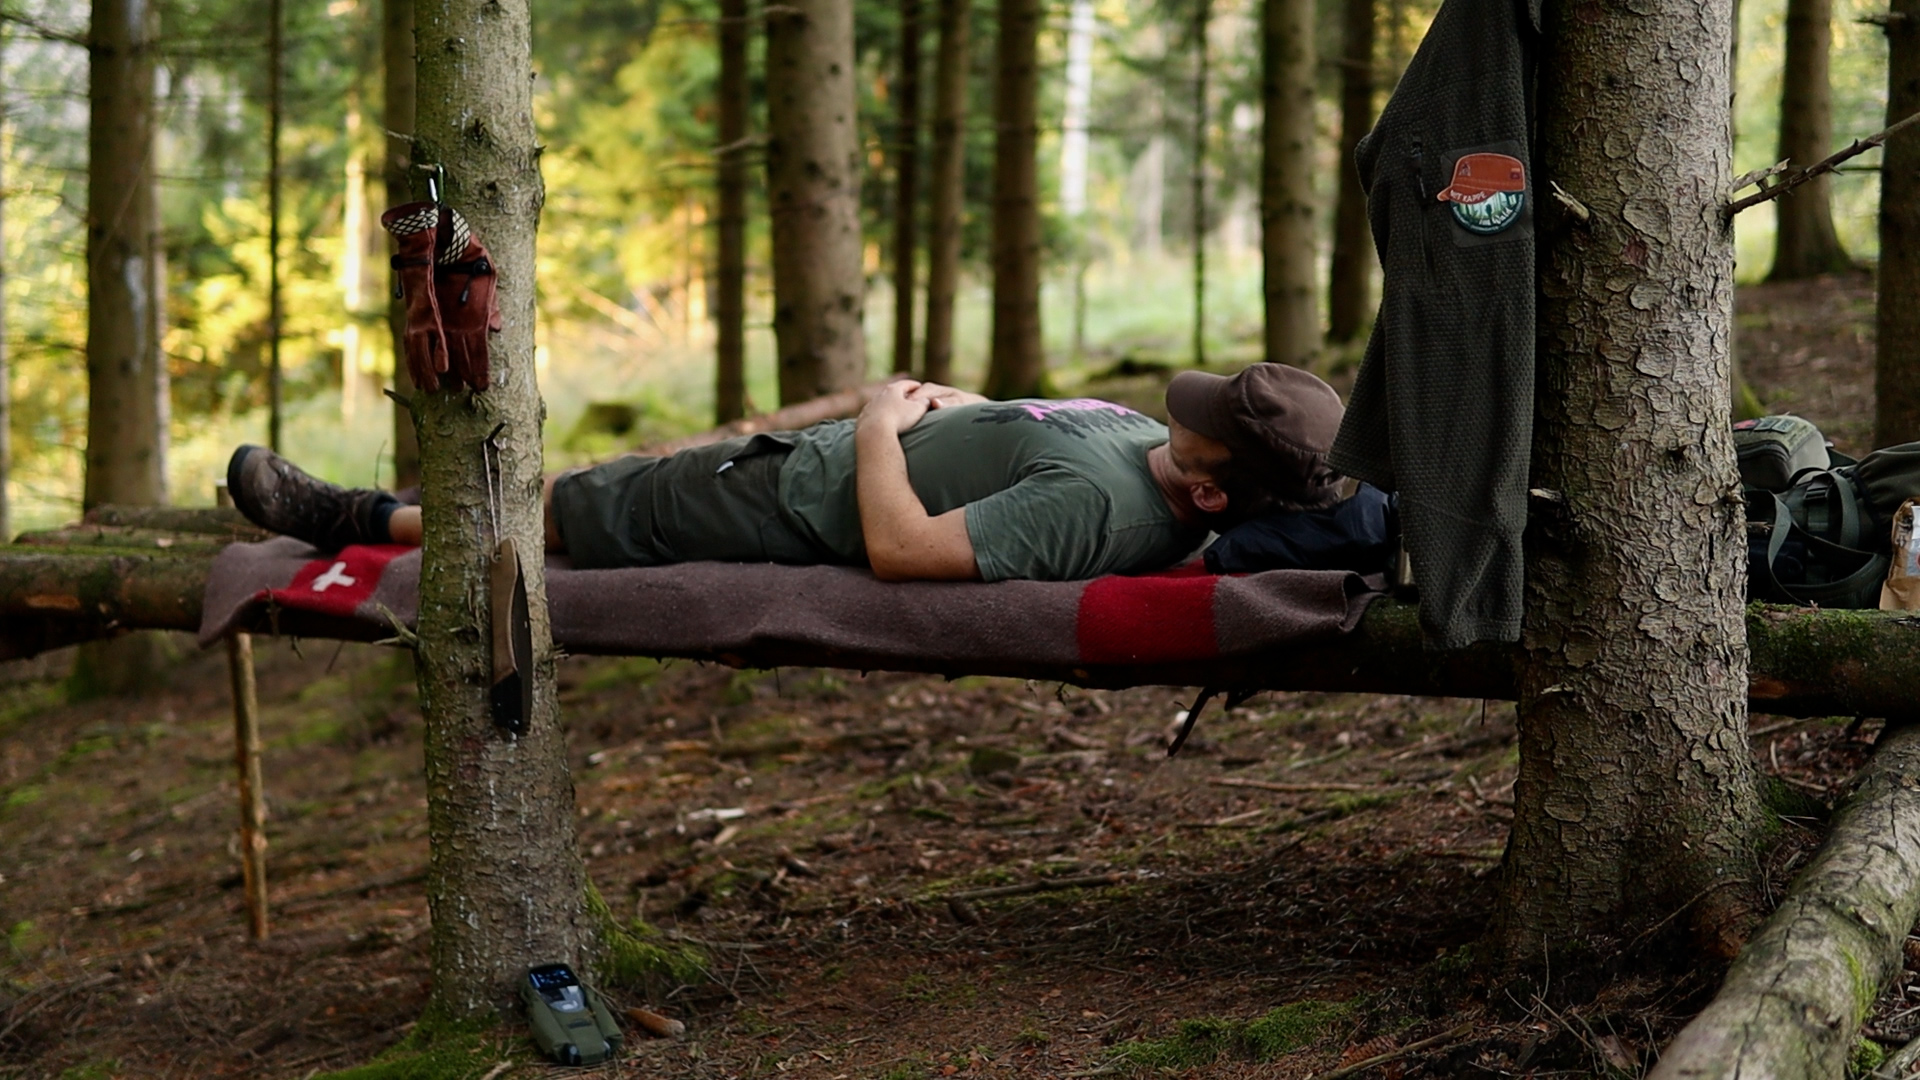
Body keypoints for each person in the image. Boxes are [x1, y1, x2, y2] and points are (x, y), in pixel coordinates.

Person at [226, 364, 1347, 583]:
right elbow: (1021, 428)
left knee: (573, 515)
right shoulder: (1142, 459)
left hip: (790, 499)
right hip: (795, 462)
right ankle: (380, 510)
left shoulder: (1099, 512)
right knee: (590, 490)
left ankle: (348, 519)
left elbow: (902, 552)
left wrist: (874, 423)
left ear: (1210, 493)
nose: (1176, 412)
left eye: (1200, 429)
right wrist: (953, 406)